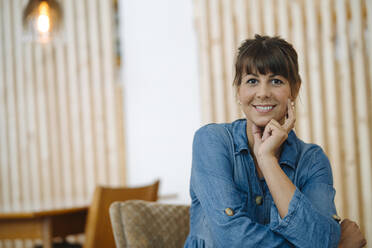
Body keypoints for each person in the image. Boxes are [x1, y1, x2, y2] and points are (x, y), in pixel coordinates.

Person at [184, 35, 366, 247]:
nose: (262, 93)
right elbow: (232, 239)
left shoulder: (312, 160)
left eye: (276, 81)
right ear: (238, 90)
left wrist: (267, 159)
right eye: (252, 81)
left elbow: (319, 240)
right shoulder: (211, 141)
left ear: (295, 90)